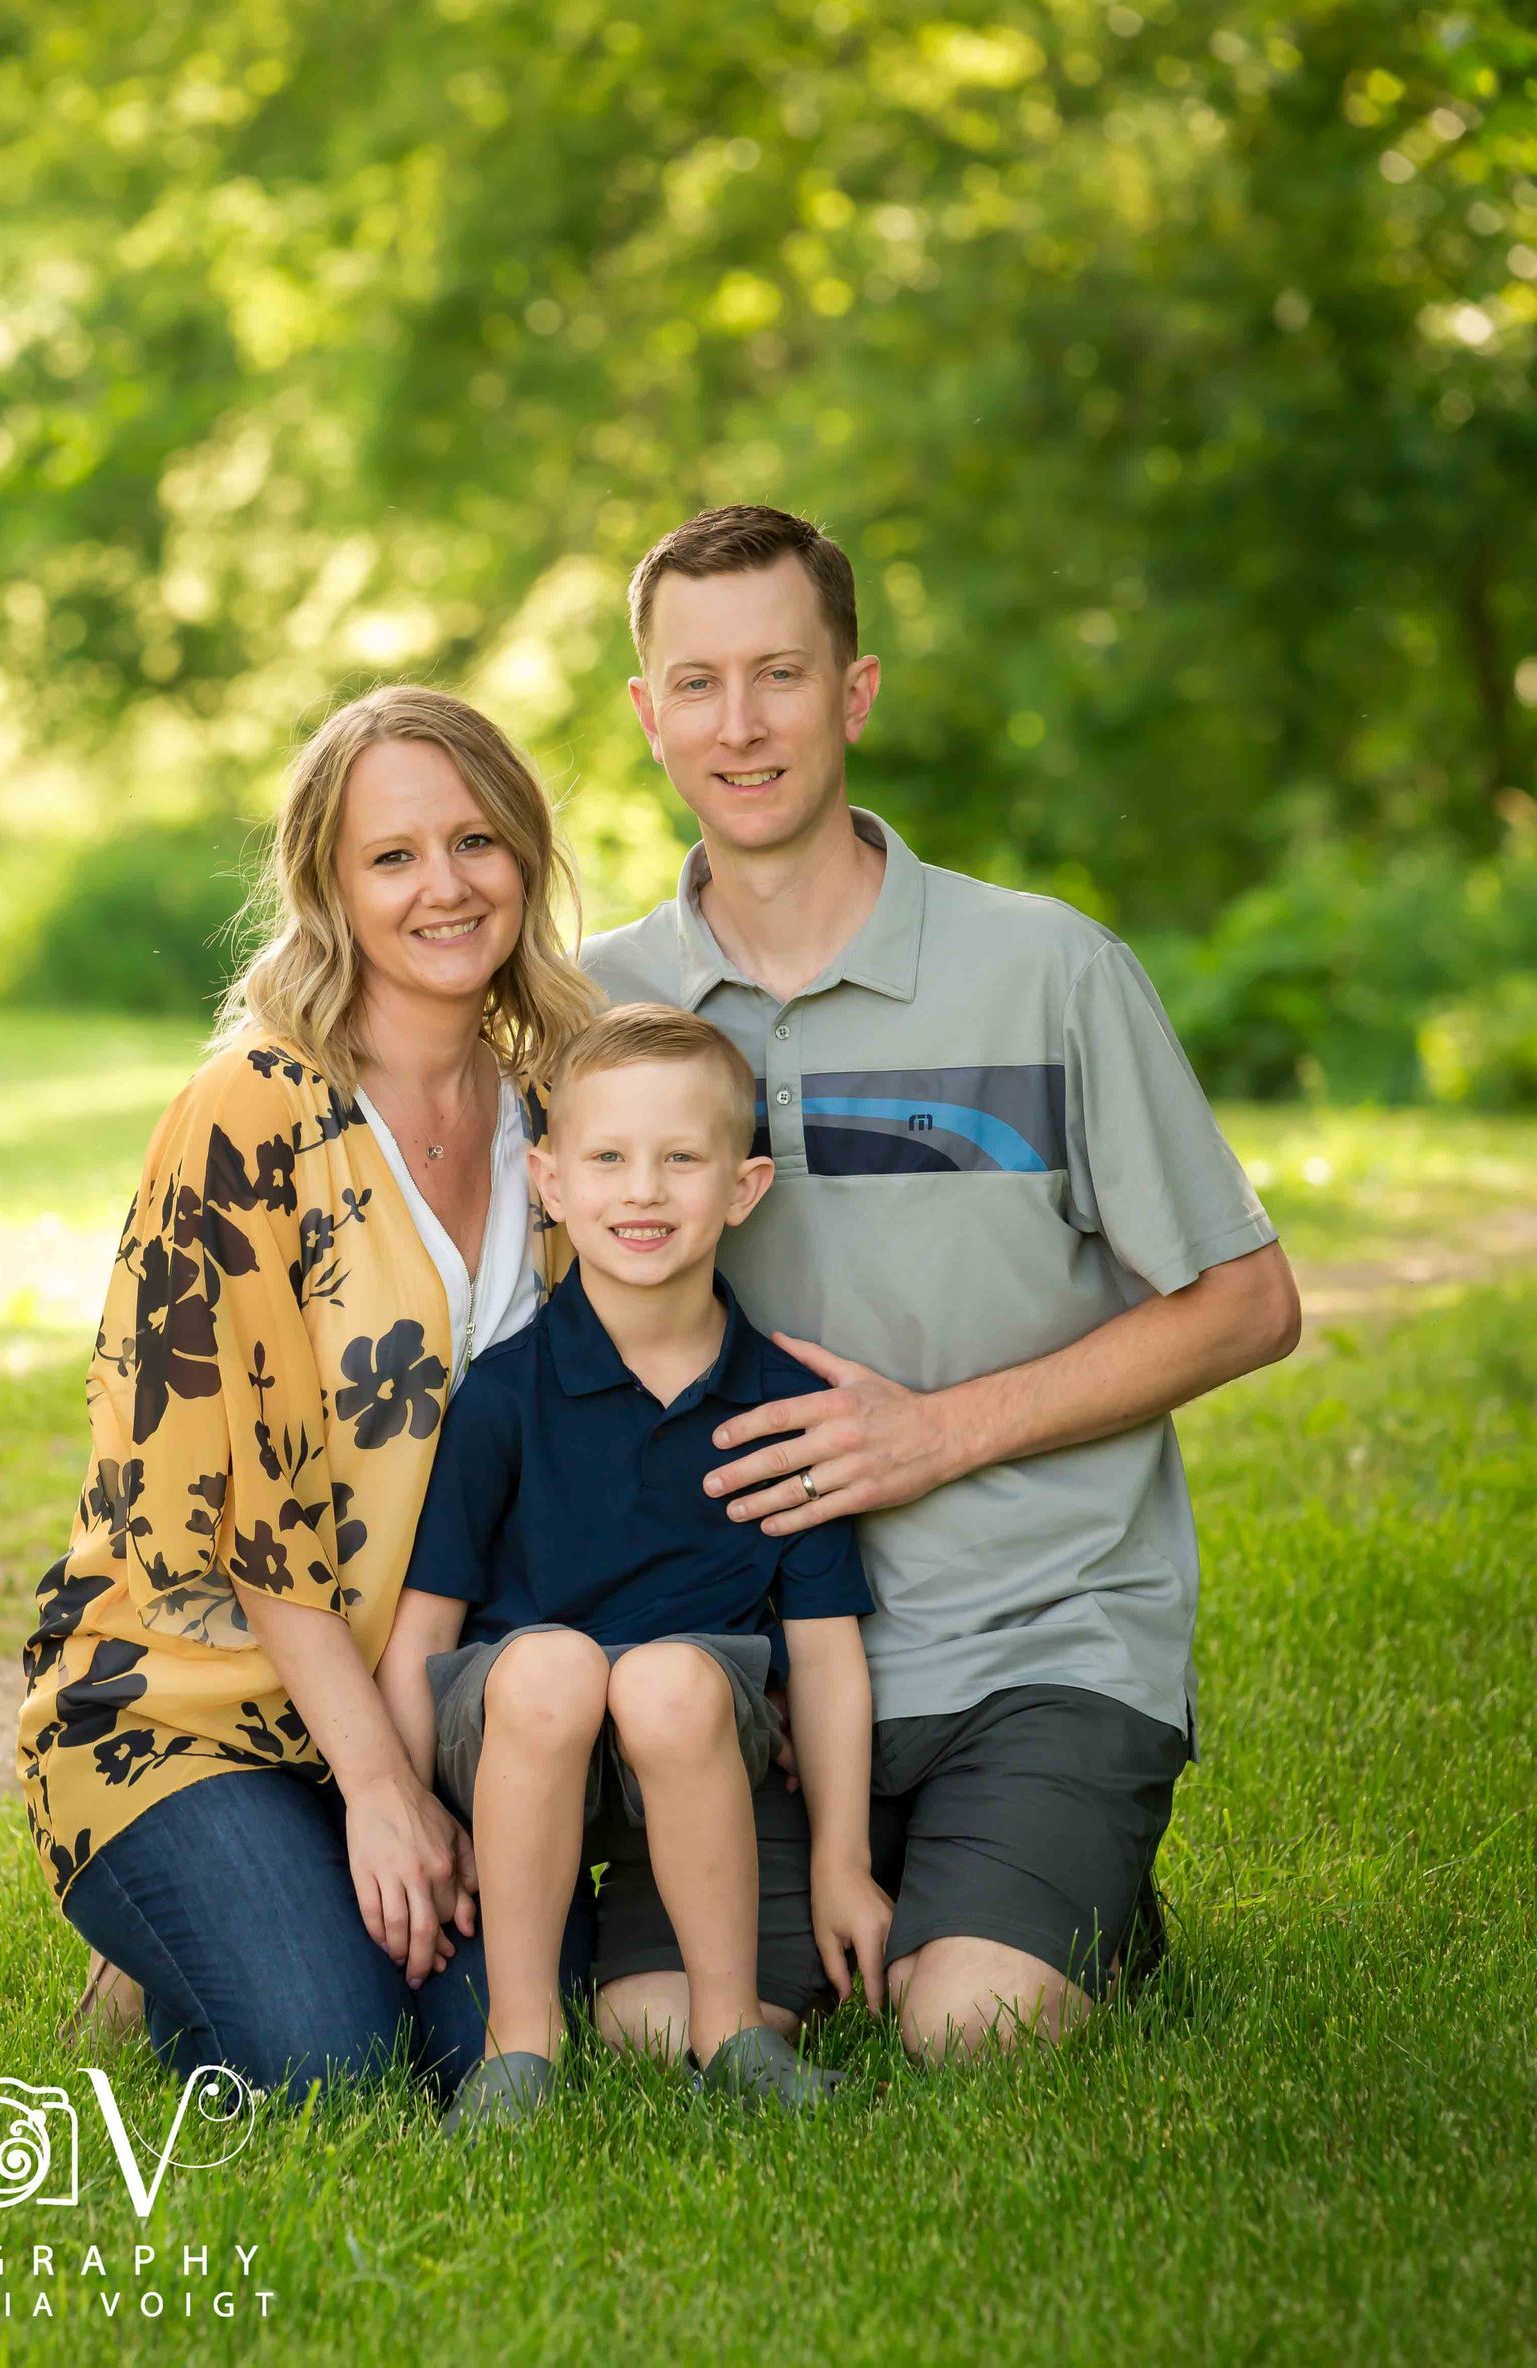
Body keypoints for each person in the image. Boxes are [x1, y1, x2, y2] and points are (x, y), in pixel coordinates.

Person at [583, 505, 1304, 2062]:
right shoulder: (599, 1006)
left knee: (970, 2025)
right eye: (696, 684)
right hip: (743, 1662)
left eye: (782, 673)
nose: (742, 723)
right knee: (648, 2031)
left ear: (856, 691)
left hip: (1038, 1631)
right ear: (647, 715)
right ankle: (938, 1882)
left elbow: (1251, 1302)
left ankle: (1049, 1887)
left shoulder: (1046, 968)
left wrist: (937, 1434)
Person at [14, 684, 598, 2103]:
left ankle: (277, 1899)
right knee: (331, 2060)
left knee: (492, 2048)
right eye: (393, 857)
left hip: (434, 1703)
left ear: (525, 854)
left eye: (476, 842)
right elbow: (239, 1512)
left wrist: (443, 1765)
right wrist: (382, 1797)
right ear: (331, 888)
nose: (445, 888)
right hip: (196, 1698)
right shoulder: (253, 1110)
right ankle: (170, 1920)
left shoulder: (561, 1116)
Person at [374, 1006, 885, 2126]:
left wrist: (843, 1862)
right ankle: (520, 2052)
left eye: (680, 1159)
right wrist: (406, 1807)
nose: (642, 1191)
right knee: (554, 1668)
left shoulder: (785, 1409)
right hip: (515, 1734)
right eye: (607, 1159)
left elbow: (828, 1655)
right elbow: (423, 1630)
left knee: (665, 1676)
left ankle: (732, 2034)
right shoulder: (505, 1395)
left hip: (694, 1743)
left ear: (744, 1188)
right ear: (549, 1181)